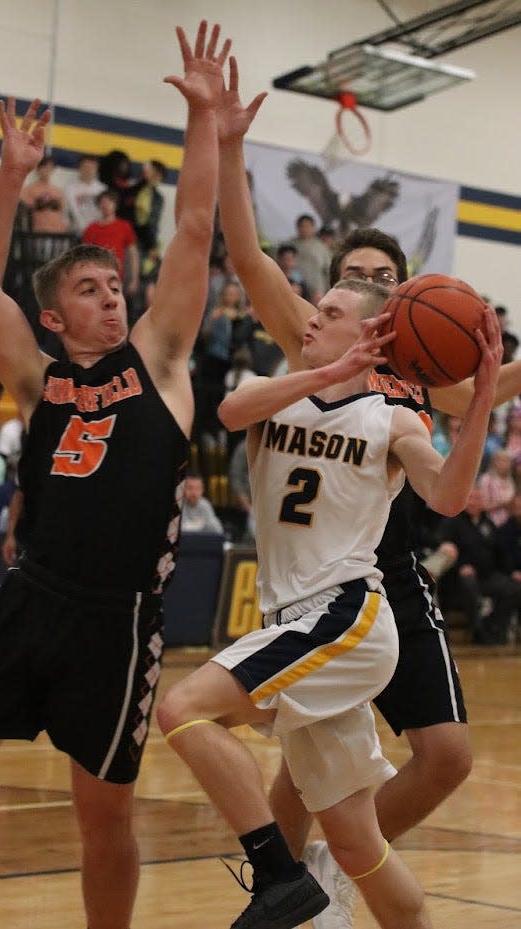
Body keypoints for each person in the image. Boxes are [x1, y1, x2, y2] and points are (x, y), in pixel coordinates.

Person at [0, 20, 229, 929]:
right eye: (89, 290)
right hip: (30, 596)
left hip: (118, 619)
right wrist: (9, 175)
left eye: (114, 285)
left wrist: (202, 117)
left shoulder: (159, 360)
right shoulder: (37, 379)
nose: (111, 295)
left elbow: (197, 228)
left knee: (103, 814)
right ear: (53, 319)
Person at [213, 56, 521, 929]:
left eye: (382, 282)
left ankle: (326, 868)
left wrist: (494, 360)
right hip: (304, 571)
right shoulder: (308, 339)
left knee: (446, 754)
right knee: (302, 765)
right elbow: (243, 251)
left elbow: (486, 400)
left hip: (387, 569)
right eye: (347, 278)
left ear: (407, 300)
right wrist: (228, 146)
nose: (357, 293)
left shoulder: (423, 383)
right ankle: (289, 890)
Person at [157, 274, 501, 929]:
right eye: (316, 308)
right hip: (299, 623)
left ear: (372, 333)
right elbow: (230, 412)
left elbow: (450, 496)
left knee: (183, 709)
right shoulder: (274, 391)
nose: (312, 319)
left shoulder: (392, 419)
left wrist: (481, 397)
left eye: (332, 311)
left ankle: (278, 876)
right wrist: (332, 371)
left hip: (347, 615)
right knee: (355, 841)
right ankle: (317, 886)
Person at [437, 484, 521, 645]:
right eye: (470, 498)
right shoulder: (452, 522)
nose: (473, 502)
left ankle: (491, 625)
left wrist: (511, 572)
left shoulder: (488, 523)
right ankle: (478, 631)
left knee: (515, 589)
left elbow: (500, 553)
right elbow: (444, 549)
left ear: (483, 502)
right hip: (460, 580)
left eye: (477, 499)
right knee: (469, 586)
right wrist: (461, 566)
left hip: (488, 576)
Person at [82, 188, 140, 300]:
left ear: (115, 205)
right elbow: (84, 257)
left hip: (116, 278)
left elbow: (133, 255)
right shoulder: (91, 228)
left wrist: (134, 279)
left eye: (109, 201)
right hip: (94, 279)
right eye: (103, 202)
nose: (106, 205)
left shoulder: (124, 226)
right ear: (99, 205)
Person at [19, 154, 68, 233]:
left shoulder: (58, 191)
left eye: (50, 168)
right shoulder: (28, 189)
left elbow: (62, 212)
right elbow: (26, 210)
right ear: (38, 169)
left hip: (59, 231)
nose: (47, 170)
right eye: (44, 167)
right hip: (38, 231)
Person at [64, 154, 105, 235]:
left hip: (99, 233)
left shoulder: (102, 189)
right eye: (85, 167)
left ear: (96, 169)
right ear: (79, 168)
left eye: (91, 167)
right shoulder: (70, 189)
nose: (88, 170)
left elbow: (105, 213)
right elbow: (68, 212)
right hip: (76, 233)